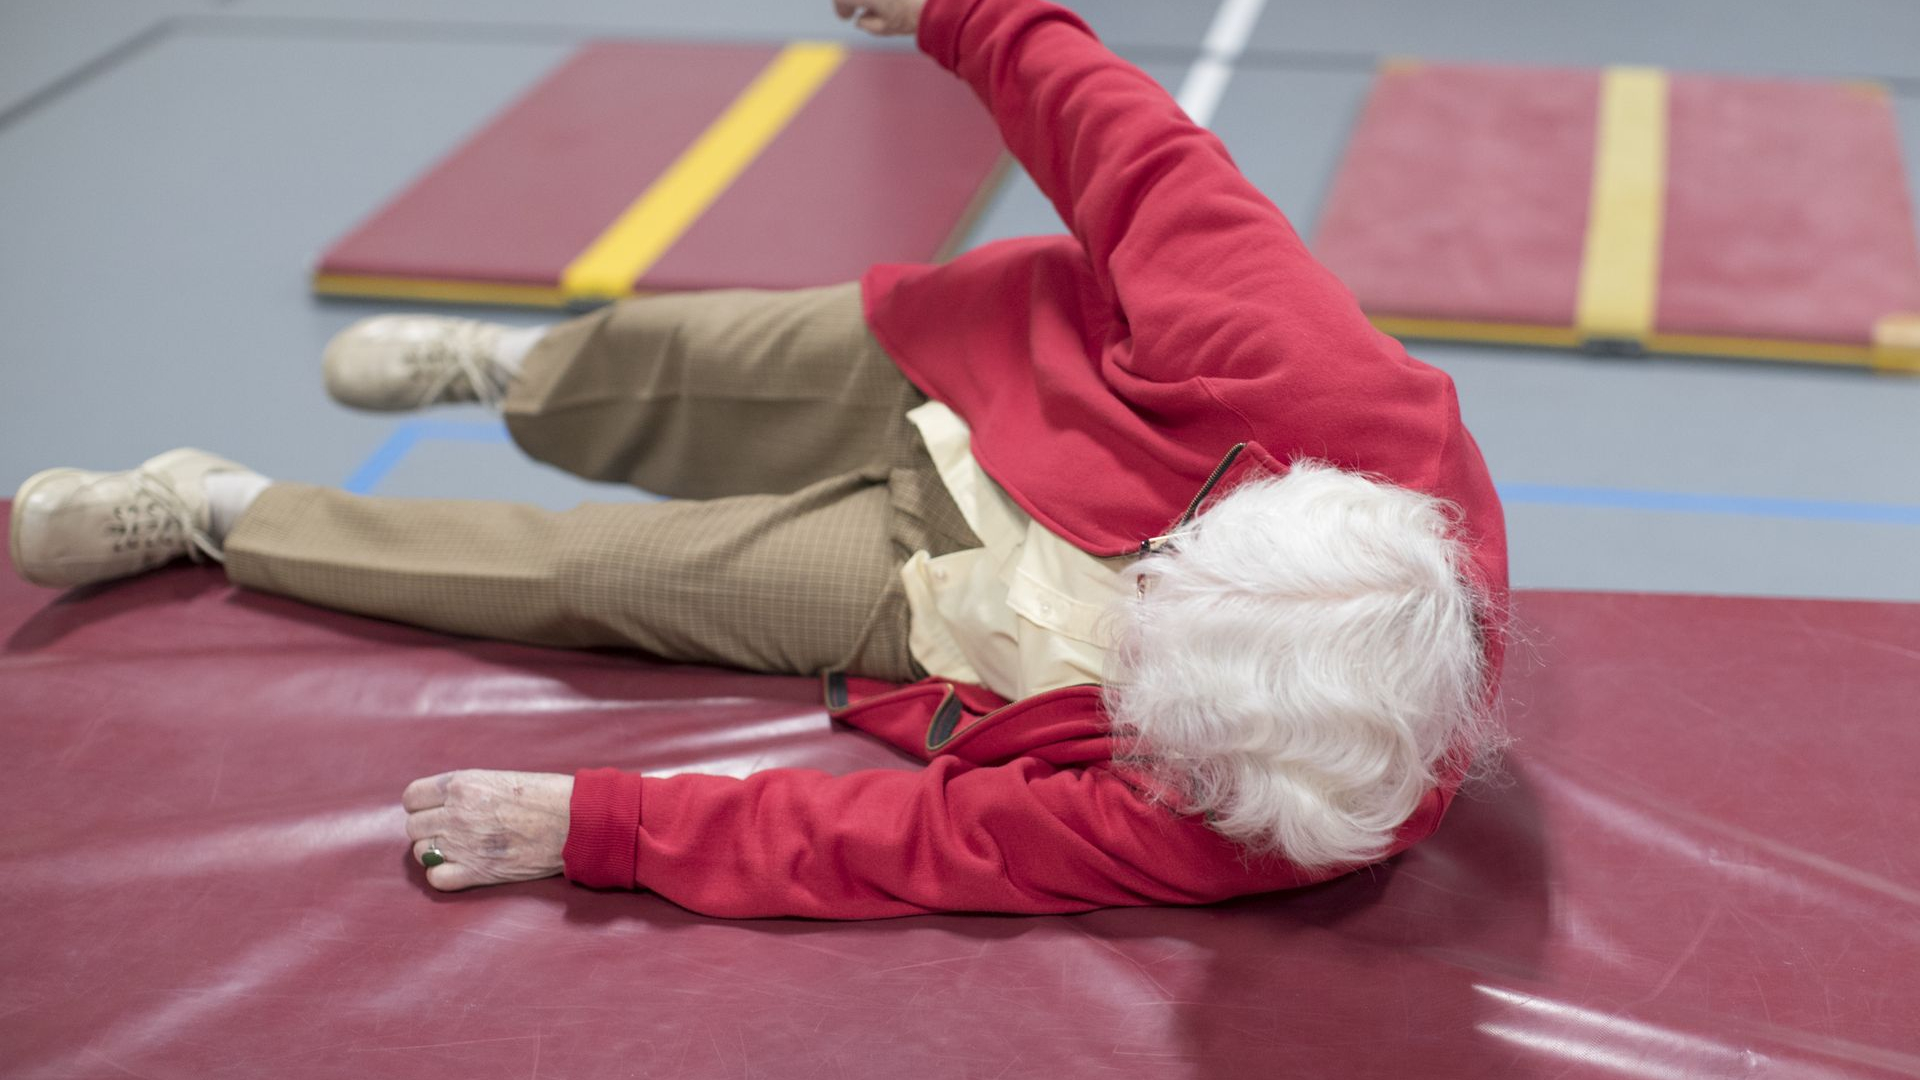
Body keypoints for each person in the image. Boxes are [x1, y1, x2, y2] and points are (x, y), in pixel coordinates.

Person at [6, 0, 1509, 919]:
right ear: (1211, 536)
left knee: (593, 577)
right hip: (991, 384)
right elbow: (1135, 156)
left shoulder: (1290, 811)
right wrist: (963, 9)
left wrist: (601, 829)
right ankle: (521, 370)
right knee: (662, 370)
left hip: (943, 616)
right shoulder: (1305, 377)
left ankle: (215, 510)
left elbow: (940, 843)